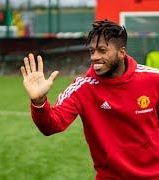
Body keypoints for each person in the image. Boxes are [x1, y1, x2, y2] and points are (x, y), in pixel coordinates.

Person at [20, 20, 159, 179]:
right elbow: (51, 125)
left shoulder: (153, 79)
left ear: (121, 52)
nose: (94, 57)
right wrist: (39, 102)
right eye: (92, 51)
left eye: (102, 50)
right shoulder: (82, 88)